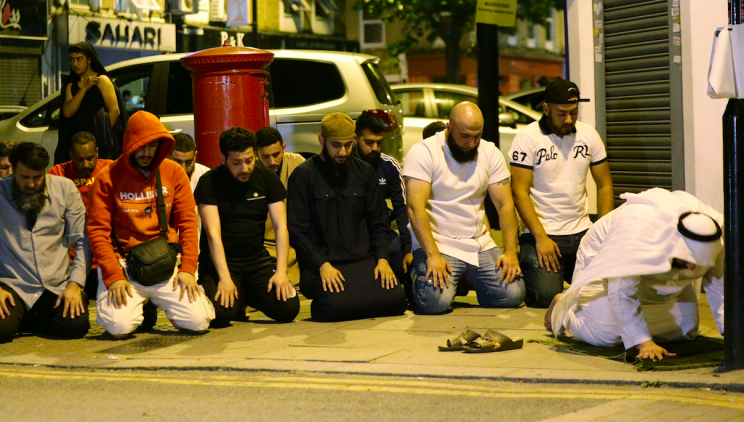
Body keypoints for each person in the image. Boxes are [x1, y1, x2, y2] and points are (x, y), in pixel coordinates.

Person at [545, 188, 724, 362]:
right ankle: (565, 309)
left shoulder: (719, 234)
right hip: (603, 260)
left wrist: (732, 333)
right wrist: (643, 343)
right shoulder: (635, 233)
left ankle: (633, 322)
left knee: (687, 329)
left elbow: (722, 287)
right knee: (607, 334)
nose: (693, 269)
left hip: (658, 268)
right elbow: (620, 291)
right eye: (688, 261)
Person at [88, 111, 214, 339]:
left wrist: (187, 269)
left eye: (153, 146)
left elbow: (188, 223)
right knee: (119, 327)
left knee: (199, 322)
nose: (146, 153)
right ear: (129, 144)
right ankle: (140, 304)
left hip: (164, 261)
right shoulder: (107, 177)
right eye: (141, 146)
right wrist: (113, 275)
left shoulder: (174, 172)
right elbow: (98, 231)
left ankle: (150, 301)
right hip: (124, 265)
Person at [403, 102, 525, 314]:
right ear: (449, 127)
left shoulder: (489, 152)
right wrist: (432, 255)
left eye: (476, 136)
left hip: (478, 243)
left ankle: (464, 278)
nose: (471, 143)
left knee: (513, 294)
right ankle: (419, 274)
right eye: (465, 136)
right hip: (438, 242)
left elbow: (505, 205)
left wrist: (511, 252)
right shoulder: (424, 152)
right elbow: (415, 208)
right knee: (435, 303)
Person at [288, 112, 406, 322]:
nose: (342, 152)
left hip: (363, 259)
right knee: (332, 307)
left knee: (395, 300)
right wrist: (322, 265)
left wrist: (382, 259)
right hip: (323, 264)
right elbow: (298, 231)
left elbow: (378, 222)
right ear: (321, 140)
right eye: (335, 145)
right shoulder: (304, 175)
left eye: (347, 145)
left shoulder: (365, 172)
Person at [509, 78, 614, 308]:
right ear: (546, 109)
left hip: (582, 231)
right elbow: (519, 192)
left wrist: (604, 231)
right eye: (561, 113)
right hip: (543, 233)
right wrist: (540, 237)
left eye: (573, 112)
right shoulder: (527, 138)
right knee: (545, 298)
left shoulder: (589, 135)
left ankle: (570, 275)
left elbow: (604, 184)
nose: (569, 119)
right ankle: (537, 270)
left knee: (609, 290)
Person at [196, 127, 300, 326]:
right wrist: (224, 278)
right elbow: (212, 234)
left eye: (249, 160)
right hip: (222, 262)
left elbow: (281, 227)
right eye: (237, 163)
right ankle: (233, 291)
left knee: (288, 308)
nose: (244, 168)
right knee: (220, 315)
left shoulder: (266, 177)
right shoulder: (209, 182)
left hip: (256, 260)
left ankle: (248, 293)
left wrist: (281, 272)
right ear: (223, 159)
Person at [0, 142, 91, 342]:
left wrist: (75, 285)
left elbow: (82, 240)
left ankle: (28, 319)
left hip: (55, 284)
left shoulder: (65, 189)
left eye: (37, 177)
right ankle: (26, 317)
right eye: (24, 177)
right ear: (13, 169)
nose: (31, 184)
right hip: (13, 285)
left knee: (76, 327)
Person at [49, 131, 113, 300]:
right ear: (71, 156)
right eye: (79, 159)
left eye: (90, 158)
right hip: (74, 258)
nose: (86, 164)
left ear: (97, 153)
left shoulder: (110, 168)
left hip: (106, 255)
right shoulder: (58, 174)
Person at [354, 114, 413, 285]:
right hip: (353, 233)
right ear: (356, 139)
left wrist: (408, 247)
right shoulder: (346, 163)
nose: (375, 148)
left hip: (380, 230)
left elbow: (402, 209)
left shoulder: (389, 166)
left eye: (379, 143)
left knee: (399, 250)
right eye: (369, 142)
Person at [58, 42, 128, 164]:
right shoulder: (70, 85)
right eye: (72, 60)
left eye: (79, 59)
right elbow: (67, 112)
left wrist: (100, 136)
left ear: (89, 60)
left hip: (101, 146)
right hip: (77, 147)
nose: (75, 64)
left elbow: (115, 111)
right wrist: (84, 88)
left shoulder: (102, 81)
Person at [255, 127, 305, 284]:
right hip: (264, 246)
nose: (272, 162)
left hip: (295, 242)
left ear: (283, 148)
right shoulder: (251, 172)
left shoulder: (297, 163)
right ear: (256, 154)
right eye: (266, 157)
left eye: (276, 155)